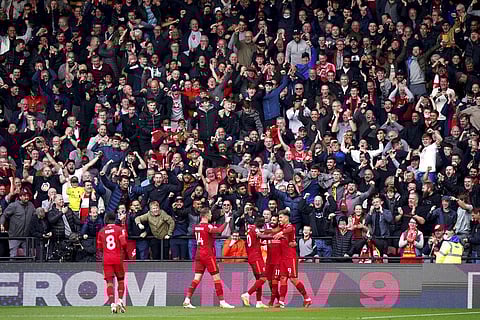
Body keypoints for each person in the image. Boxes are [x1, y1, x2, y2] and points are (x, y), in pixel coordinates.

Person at [182, 208, 235, 309]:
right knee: (217, 278)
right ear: (206, 215)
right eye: (210, 214)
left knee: (196, 278)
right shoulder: (208, 226)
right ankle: (222, 302)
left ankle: (187, 299)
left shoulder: (196, 227)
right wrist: (226, 222)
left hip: (198, 255)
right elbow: (219, 230)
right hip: (208, 255)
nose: (211, 216)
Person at [273, 209, 312, 308]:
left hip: (290, 257)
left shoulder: (290, 227)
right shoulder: (281, 227)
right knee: (283, 278)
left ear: (286, 218)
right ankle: (281, 302)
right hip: (283, 258)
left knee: (293, 279)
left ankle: (307, 298)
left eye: (281, 217)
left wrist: (280, 234)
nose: (279, 219)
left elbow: (288, 231)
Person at [96, 212, 128, 314]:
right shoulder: (119, 229)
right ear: (115, 219)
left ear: (106, 219)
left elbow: (100, 248)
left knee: (109, 282)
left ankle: (112, 304)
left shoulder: (101, 231)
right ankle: (120, 300)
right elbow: (124, 243)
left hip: (107, 259)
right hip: (118, 258)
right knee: (121, 280)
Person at [241, 217, 269, 308]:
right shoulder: (255, 229)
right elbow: (261, 236)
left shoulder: (250, 228)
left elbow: (253, 241)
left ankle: (259, 302)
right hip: (256, 257)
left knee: (258, 279)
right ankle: (247, 294)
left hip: (252, 256)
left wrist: (261, 243)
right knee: (264, 277)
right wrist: (275, 236)